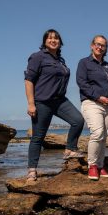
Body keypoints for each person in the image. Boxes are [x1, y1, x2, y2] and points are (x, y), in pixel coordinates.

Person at [24, 29, 84, 181]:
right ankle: (32, 170)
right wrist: (31, 103)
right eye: (50, 38)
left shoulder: (60, 60)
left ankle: (70, 149)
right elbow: (29, 80)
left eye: (56, 38)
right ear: (45, 41)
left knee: (78, 120)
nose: (53, 40)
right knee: (38, 136)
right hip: (42, 101)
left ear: (60, 42)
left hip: (59, 100)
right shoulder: (38, 57)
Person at [76, 35, 108, 181]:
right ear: (92, 45)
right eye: (97, 44)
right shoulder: (84, 63)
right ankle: (92, 166)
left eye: (103, 45)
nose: (100, 47)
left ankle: (100, 166)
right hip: (91, 103)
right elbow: (82, 83)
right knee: (97, 132)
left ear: (106, 48)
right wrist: (98, 97)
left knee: (104, 136)